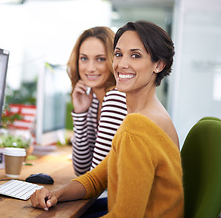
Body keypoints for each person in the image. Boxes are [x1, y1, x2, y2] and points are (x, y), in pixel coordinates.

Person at [30, 21, 184, 217]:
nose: (122, 64)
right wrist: (55, 195)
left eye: (135, 56)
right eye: (119, 54)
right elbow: (96, 179)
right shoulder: (143, 116)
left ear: (159, 65)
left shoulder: (139, 126)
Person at [67, 26, 127, 176]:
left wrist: (57, 195)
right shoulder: (95, 100)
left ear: (114, 61)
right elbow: (81, 169)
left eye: (100, 59)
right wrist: (81, 113)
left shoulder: (116, 98)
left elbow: (96, 178)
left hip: (129, 197)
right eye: (84, 58)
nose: (90, 68)